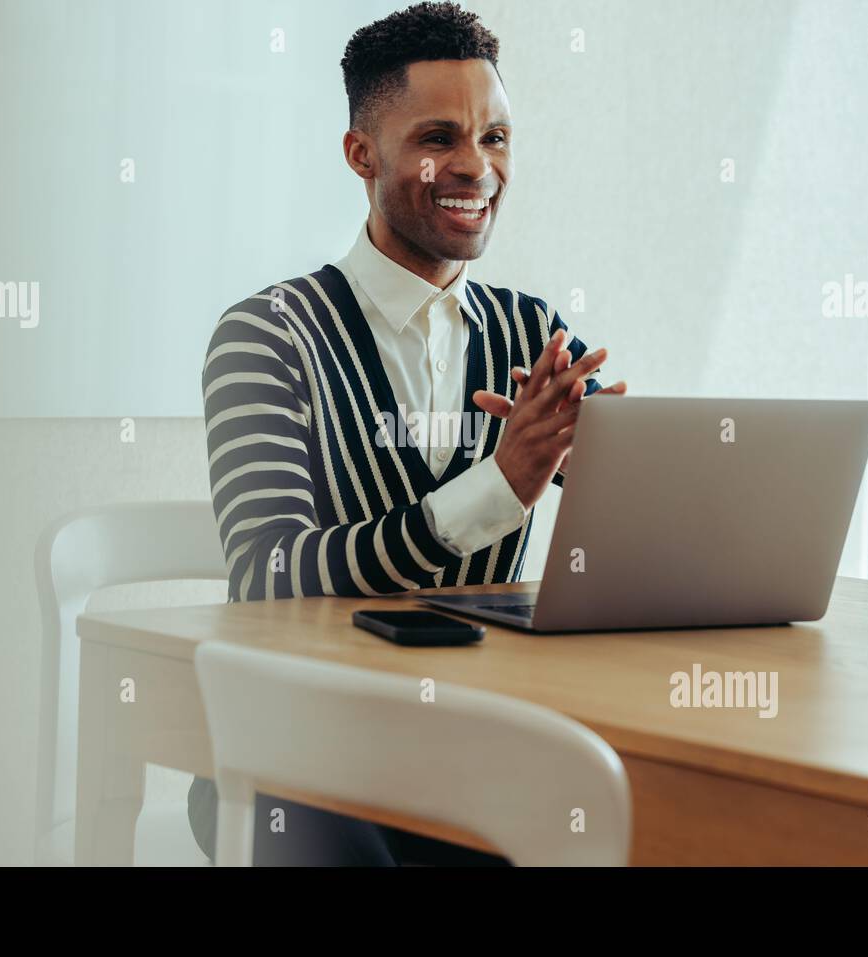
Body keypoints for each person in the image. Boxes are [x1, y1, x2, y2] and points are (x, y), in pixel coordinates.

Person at [191, 1, 626, 866]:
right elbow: (272, 573)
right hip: (299, 751)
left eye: (496, 137)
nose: (476, 167)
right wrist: (497, 488)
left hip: (478, 740)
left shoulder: (531, 333)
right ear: (362, 153)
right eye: (441, 136)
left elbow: (634, 536)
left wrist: (623, 479)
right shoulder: (267, 335)